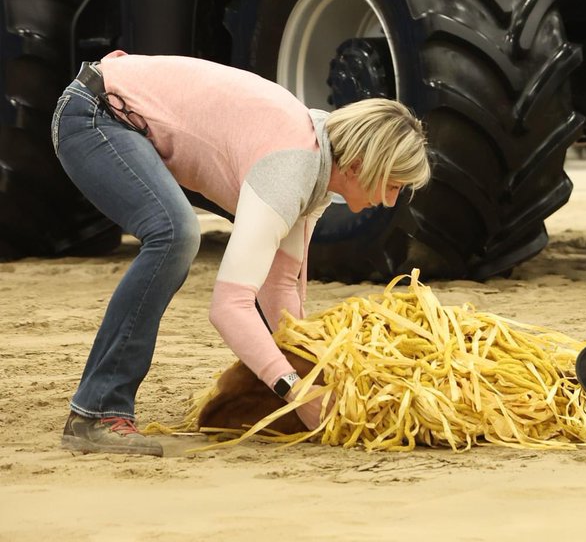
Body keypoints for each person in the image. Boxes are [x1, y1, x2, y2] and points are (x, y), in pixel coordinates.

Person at [52, 52, 431, 455]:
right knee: (176, 233)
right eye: (393, 184)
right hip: (95, 112)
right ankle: (96, 410)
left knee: (181, 234)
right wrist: (293, 389)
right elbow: (229, 306)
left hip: (117, 108)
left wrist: (313, 375)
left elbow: (280, 286)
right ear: (361, 165)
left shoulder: (320, 165)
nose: (391, 202)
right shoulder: (292, 165)